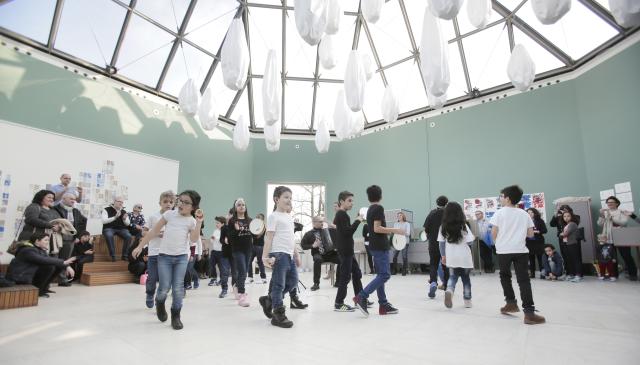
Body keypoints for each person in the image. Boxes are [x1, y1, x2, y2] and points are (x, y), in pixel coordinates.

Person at [133, 190, 203, 330]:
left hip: (181, 257)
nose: (181, 204)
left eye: (186, 202)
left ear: (193, 207)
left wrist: (199, 222)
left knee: (178, 288)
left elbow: (194, 239)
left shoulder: (191, 221)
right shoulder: (169, 215)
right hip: (164, 257)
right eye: (180, 200)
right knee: (164, 287)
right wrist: (140, 246)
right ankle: (159, 304)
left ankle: (176, 315)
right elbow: (153, 231)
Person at [490, 185, 545, 325]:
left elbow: (494, 234)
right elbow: (531, 234)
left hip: (503, 251)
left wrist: (500, 243)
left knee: (505, 277)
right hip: (521, 251)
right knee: (524, 280)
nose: (500, 199)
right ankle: (529, 313)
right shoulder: (524, 214)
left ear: (507, 198)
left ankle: (510, 303)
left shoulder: (499, 213)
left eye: (501, 196)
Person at [353, 185, 405, 317]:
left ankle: (383, 305)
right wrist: (395, 230)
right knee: (385, 275)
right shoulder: (378, 208)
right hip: (380, 246)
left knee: (380, 275)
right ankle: (361, 296)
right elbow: (377, 228)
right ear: (381, 196)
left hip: (375, 246)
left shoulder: (370, 209)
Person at [259, 186, 301, 328]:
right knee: (278, 284)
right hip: (278, 254)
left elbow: (291, 238)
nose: (289, 200)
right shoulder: (273, 216)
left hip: (288, 255)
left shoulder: (288, 217)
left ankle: (269, 299)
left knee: (294, 281)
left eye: (290, 197)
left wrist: (296, 254)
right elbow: (269, 238)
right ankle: (278, 313)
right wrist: (264, 258)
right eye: (286, 197)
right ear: (277, 199)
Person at [6, 233, 75, 297]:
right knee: (49, 267)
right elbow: (42, 260)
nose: (48, 242)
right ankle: (39, 290)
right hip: (19, 277)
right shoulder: (27, 250)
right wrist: (64, 262)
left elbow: (50, 260)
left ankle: (44, 288)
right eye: (45, 240)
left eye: (48, 240)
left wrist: (66, 266)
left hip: (29, 275)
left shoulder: (40, 249)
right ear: (37, 241)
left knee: (57, 266)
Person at [438, 202, 475, 309]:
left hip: (451, 257)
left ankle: (449, 290)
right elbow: (470, 242)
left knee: (453, 277)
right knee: (466, 279)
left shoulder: (442, 227)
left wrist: (443, 256)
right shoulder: (464, 226)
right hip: (464, 258)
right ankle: (467, 301)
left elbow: (441, 243)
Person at [142, 190, 175, 308]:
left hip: (169, 254)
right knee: (152, 279)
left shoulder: (175, 218)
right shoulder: (153, 216)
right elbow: (144, 231)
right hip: (154, 253)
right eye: (165, 201)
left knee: (165, 282)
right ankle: (150, 294)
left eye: (171, 202)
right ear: (160, 203)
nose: (168, 204)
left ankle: (159, 300)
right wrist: (156, 233)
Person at [333, 191, 364, 312]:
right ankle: (338, 303)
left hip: (347, 250)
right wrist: (357, 221)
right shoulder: (342, 214)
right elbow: (348, 232)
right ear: (342, 202)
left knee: (356, 273)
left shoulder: (342, 215)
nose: (352, 203)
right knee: (345, 277)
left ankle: (360, 297)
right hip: (345, 250)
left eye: (352, 201)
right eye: (349, 201)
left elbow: (342, 230)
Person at [598, 196, 636, 281]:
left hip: (621, 237)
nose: (609, 204)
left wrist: (612, 217)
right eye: (608, 203)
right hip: (608, 238)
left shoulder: (621, 212)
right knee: (611, 258)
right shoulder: (605, 213)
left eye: (612, 202)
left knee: (626, 256)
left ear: (617, 203)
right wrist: (601, 215)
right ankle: (614, 275)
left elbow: (624, 223)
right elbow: (599, 224)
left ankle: (633, 274)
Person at [53, 192, 87, 286]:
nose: (73, 201)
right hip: (57, 237)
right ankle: (47, 281)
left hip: (70, 238)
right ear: (63, 199)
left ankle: (62, 279)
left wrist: (78, 236)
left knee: (65, 259)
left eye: (74, 199)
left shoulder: (76, 211)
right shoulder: (55, 209)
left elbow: (83, 222)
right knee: (53, 258)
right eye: (71, 199)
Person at [300, 216, 341, 291]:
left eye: (322, 221)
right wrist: (312, 245)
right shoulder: (308, 234)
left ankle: (338, 282)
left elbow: (340, 231)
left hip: (330, 253)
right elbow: (303, 245)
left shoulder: (328, 231)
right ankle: (316, 283)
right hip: (318, 253)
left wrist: (331, 224)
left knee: (341, 260)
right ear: (314, 223)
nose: (322, 223)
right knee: (317, 259)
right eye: (320, 222)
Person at [227, 198, 253, 307]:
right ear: (235, 208)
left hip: (248, 249)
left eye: (243, 204)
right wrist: (236, 230)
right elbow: (229, 237)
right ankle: (242, 295)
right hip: (237, 249)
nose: (241, 206)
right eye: (239, 205)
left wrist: (259, 231)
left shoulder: (250, 220)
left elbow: (254, 235)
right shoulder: (232, 221)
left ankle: (236, 286)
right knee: (242, 271)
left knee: (245, 271)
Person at [424, 196, 449, 299]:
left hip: (433, 244)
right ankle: (446, 286)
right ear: (446, 203)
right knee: (445, 265)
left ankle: (433, 282)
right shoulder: (448, 214)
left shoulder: (432, 213)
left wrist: (429, 237)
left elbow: (426, 229)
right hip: (445, 244)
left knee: (433, 264)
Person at [101, 196, 133, 262]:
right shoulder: (106, 209)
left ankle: (125, 256)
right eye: (119, 201)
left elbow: (128, 223)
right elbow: (104, 221)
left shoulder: (123, 211)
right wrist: (115, 217)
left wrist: (124, 219)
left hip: (121, 229)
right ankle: (112, 256)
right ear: (114, 202)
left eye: (122, 202)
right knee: (109, 235)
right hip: (109, 228)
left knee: (129, 236)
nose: (121, 203)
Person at [549, 205, 580, 272]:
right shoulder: (559, 218)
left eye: (566, 210)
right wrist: (555, 214)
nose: (564, 212)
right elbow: (551, 224)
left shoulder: (575, 217)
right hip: (562, 239)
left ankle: (578, 273)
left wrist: (567, 216)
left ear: (570, 210)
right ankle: (569, 272)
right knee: (565, 256)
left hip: (572, 239)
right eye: (562, 210)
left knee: (574, 256)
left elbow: (575, 223)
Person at [525, 208, 547, 279]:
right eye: (528, 212)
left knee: (540, 258)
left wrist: (538, 232)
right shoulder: (525, 221)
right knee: (531, 259)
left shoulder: (540, 221)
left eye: (531, 212)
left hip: (538, 242)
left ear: (535, 213)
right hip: (529, 242)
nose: (530, 214)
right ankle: (532, 273)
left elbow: (544, 230)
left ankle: (542, 273)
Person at [561, 210, 582, 282]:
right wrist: (562, 234)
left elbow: (565, 234)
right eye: (564, 216)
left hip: (572, 243)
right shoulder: (566, 225)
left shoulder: (572, 224)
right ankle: (571, 274)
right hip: (566, 244)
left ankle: (578, 275)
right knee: (569, 259)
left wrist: (561, 234)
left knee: (575, 259)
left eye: (568, 216)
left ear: (572, 217)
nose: (566, 218)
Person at [248, 213, 267, 284]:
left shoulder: (263, 227)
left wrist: (253, 229)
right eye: (257, 217)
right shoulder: (254, 226)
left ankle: (263, 278)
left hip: (260, 246)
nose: (257, 218)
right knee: (249, 262)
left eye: (259, 217)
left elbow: (257, 235)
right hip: (253, 246)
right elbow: (251, 234)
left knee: (260, 262)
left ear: (262, 219)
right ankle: (250, 278)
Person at [208, 216, 225, 287]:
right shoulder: (215, 231)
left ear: (222, 224)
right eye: (216, 223)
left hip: (221, 252)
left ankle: (222, 279)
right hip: (214, 251)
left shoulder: (224, 231)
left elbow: (223, 241)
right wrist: (212, 239)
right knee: (211, 265)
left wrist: (216, 238)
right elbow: (212, 241)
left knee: (221, 267)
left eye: (218, 223)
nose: (216, 224)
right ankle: (213, 278)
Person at [392, 212, 411, 276]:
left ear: (403, 216)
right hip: (397, 242)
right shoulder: (395, 224)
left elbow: (408, 233)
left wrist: (400, 232)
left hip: (405, 242)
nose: (399, 217)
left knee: (404, 257)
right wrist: (402, 231)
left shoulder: (407, 224)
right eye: (398, 216)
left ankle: (404, 270)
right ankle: (394, 270)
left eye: (400, 215)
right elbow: (394, 233)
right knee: (394, 256)